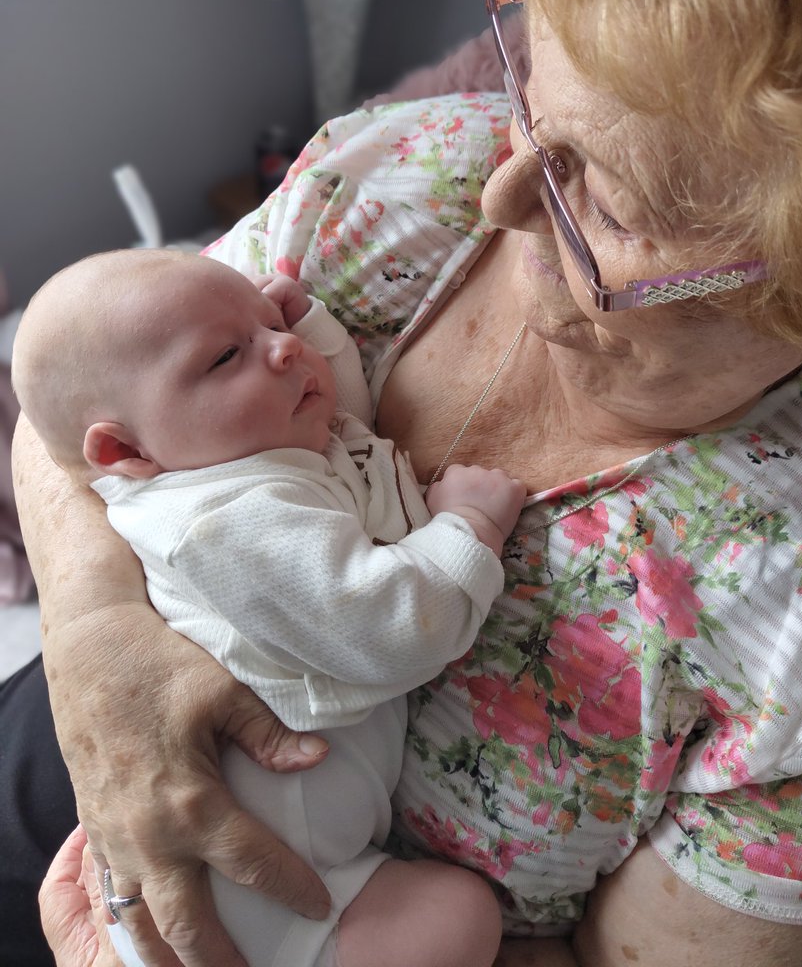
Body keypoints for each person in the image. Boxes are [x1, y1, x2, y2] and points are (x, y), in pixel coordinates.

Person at [6, 0, 802, 964]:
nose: (496, 189)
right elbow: (77, 407)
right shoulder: (394, 171)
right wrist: (94, 635)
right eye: (534, 83)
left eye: (608, 202)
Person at [11, 247, 524, 967]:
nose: (285, 350)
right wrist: (469, 531)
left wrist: (304, 327)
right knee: (460, 918)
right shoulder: (221, 524)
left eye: (269, 324)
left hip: (263, 866)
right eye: (226, 357)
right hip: (256, 914)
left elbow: (346, 432)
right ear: (124, 448)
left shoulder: (230, 453)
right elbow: (386, 628)